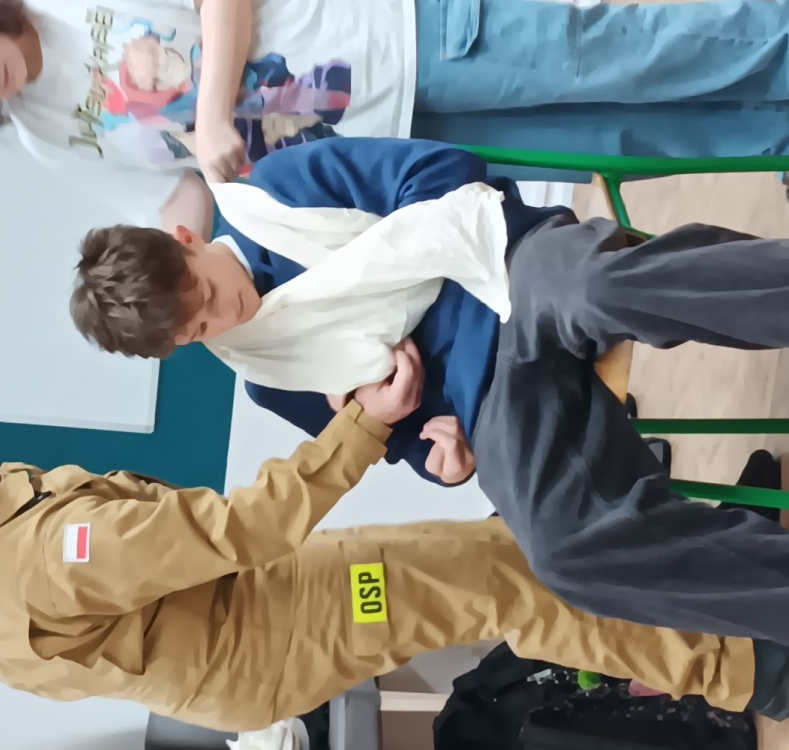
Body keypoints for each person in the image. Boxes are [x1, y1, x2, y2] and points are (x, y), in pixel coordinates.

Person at [70, 136, 789, 646]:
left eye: (204, 294)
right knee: (563, 555)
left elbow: (444, 169)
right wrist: (437, 455)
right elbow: (408, 445)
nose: (224, 317)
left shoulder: (278, 192)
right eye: (198, 331)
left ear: (187, 240)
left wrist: (390, 283)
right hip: (488, 400)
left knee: (598, 285)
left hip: (506, 265)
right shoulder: (267, 377)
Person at [0, 364, 789, 731]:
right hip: (267, 629)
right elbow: (243, 530)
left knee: (492, 558)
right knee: (502, 586)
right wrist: (362, 424)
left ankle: (717, 575)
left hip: (244, 623)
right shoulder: (54, 557)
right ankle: (754, 666)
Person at [0, 0, 789, 240]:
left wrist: (213, 108)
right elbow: (176, 187)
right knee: (613, 146)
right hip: (386, 149)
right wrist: (186, 245)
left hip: (396, 41)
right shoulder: (44, 135)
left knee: (623, 57)